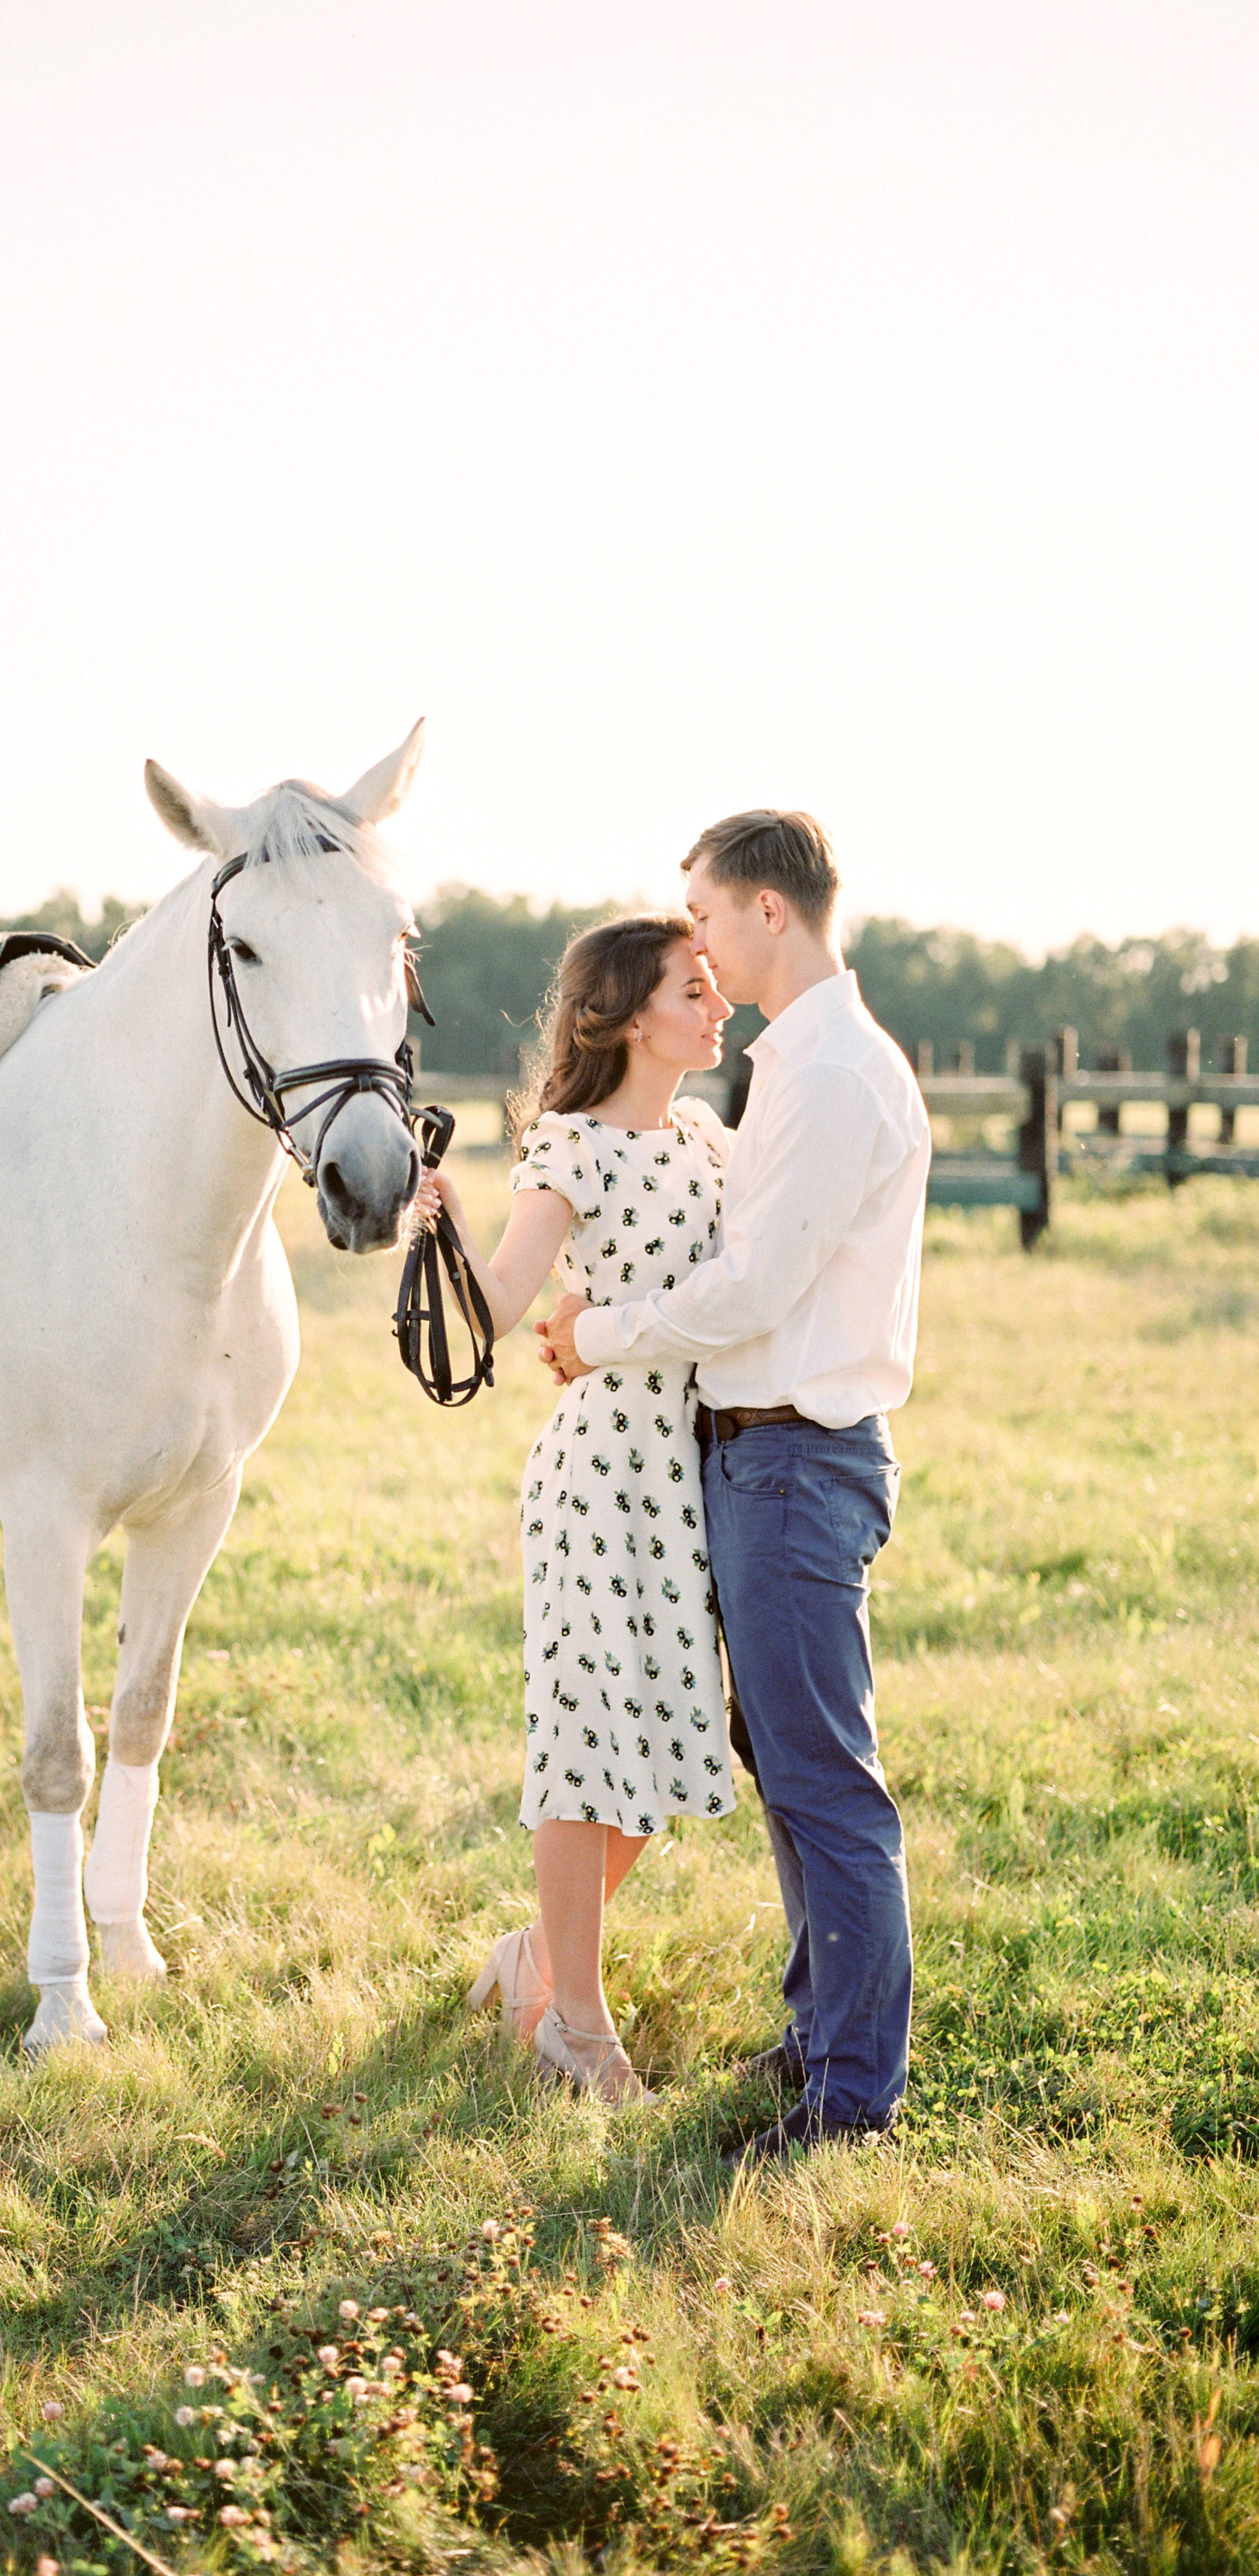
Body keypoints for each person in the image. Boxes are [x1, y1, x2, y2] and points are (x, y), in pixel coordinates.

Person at [539, 811, 929, 2164]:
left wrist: (599, 1334)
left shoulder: (831, 1077)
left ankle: (851, 2102)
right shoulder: (798, 1067)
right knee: (792, 1773)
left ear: (770, 910)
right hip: (757, 1455)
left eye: (703, 911)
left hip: (796, 1457)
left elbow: (757, 1288)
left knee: (825, 1781)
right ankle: (821, 2039)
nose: (692, 935)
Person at [418, 913, 735, 2106]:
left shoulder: (710, 1138)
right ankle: (580, 2028)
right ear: (629, 1013)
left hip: (690, 1480)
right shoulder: (572, 1148)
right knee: (588, 1749)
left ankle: (532, 1960)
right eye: (693, 990)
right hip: (599, 1479)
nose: (718, 1008)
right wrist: (441, 1224)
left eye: (713, 988)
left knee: (666, 1751)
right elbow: (499, 1306)